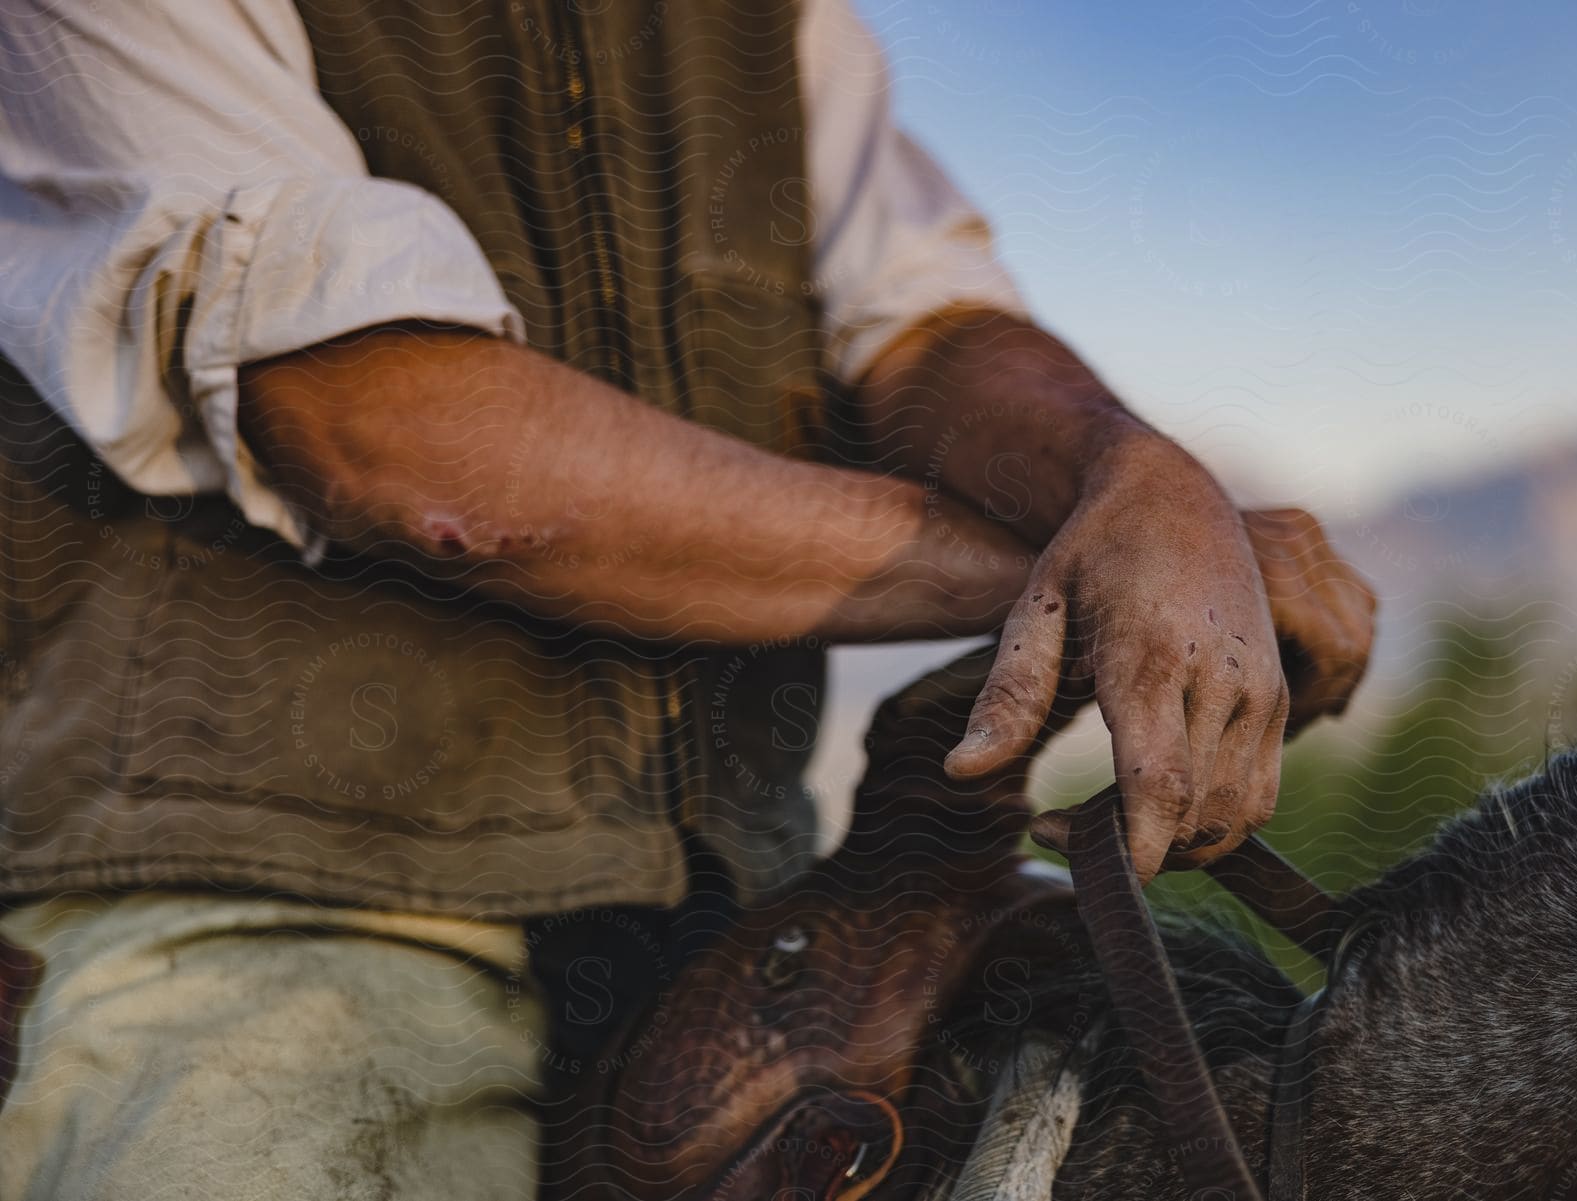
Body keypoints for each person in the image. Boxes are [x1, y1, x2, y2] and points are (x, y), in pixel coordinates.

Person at [0, 0, 1375, 1195]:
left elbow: (923, 323)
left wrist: (1132, 477)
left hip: (741, 876)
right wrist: (1089, 572)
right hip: (267, 887)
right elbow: (387, 425)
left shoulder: (776, 18)